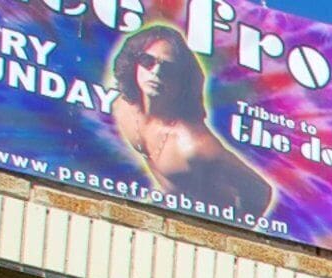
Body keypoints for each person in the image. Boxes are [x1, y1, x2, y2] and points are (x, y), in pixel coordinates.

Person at [104, 18, 276, 219]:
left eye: (168, 68)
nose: (156, 72)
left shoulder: (192, 143)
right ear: (133, 62)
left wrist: (231, 234)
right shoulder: (122, 107)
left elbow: (260, 191)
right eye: (147, 61)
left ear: (182, 79)